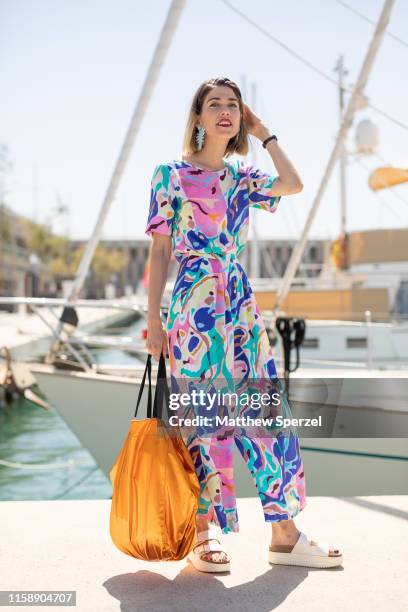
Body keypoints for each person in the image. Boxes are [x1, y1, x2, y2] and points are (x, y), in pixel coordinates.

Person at [145, 77, 342, 572]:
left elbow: (293, 184)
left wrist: (264, 132)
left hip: (240, 306)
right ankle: (202, 535)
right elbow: (161, 249)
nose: (225, 112)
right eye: (215, 104)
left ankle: (285, 536)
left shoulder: (241, 178)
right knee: (202, 419)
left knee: (266, 414)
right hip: (193, 306)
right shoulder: (169, 175)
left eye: (233, 105)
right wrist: (153, 317)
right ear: (197, 118)